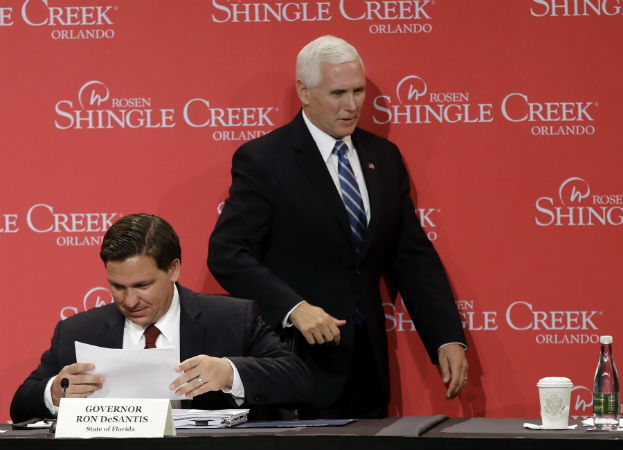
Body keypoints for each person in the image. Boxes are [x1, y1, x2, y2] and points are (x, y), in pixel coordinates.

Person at [208, 35, 468, 419]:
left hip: (368, 366)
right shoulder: (265, 160)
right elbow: (227, 253)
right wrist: (294, 308)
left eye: (359, 91)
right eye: (338, 93)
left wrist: (446, 337)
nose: (352, 106)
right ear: (304, 92)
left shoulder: (384, 156)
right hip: (295, 362)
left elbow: (411, 257)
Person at [10, 213, 311, 424]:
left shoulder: (232, 318)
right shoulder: (78, 331)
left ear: (173, 269)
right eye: (117, 286)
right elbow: (21, 406)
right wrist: (55, 391)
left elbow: (297, 381)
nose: (129, 301)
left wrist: (229, 373)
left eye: (143, 285)